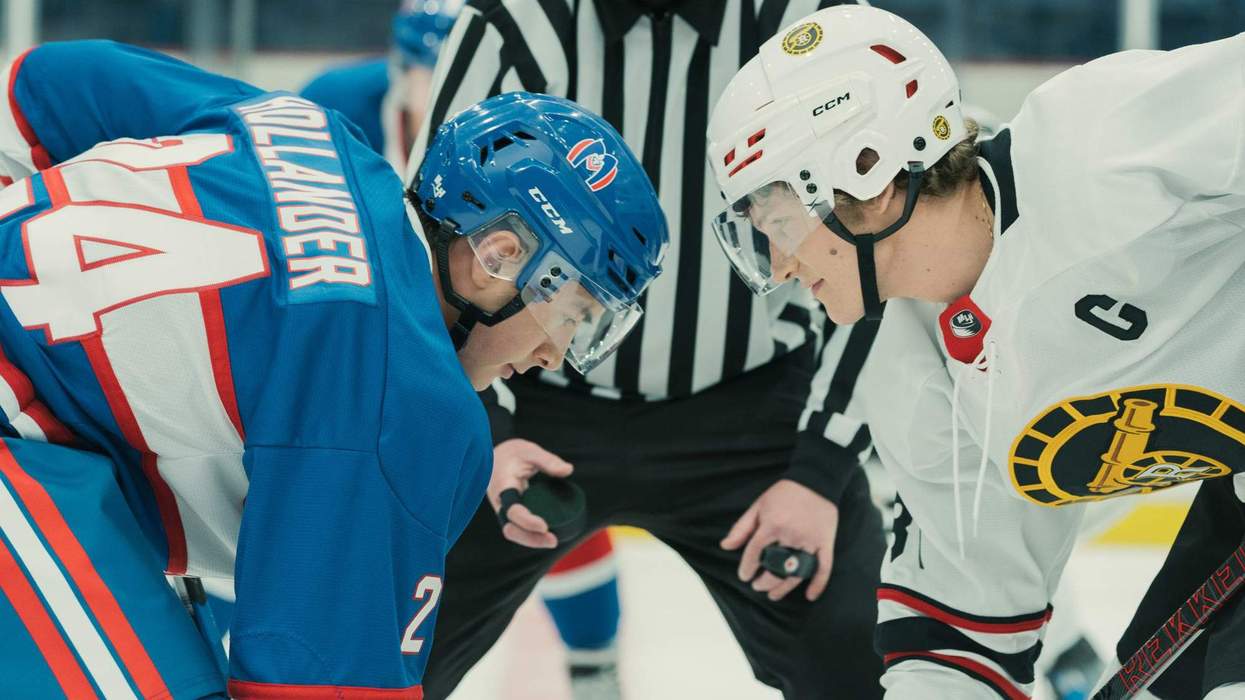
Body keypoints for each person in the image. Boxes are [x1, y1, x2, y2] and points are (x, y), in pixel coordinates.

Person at [0, 40, 665, 697]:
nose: (556, 353)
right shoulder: (402, 401)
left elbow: (47, 83)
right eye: (574, 311)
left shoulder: (317, 131)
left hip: (55, 450)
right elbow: (315, 680)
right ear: (498, 255)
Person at [708, 4, 1245, 698]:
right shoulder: (908, 357)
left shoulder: (1097, 141)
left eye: (779, 222)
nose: (779, 266)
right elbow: (963, 627)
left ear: (864, 173)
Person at [411, 1, 888, 698]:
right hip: (529, 402)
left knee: (860, 665)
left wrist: (821, 471)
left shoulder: (802, 21)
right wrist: (487, 433)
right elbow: (440, 235)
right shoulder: (514, 22)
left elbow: (881, 252)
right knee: (387, 649)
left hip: (756, 420)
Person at [302, 3, 629, 693]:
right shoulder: (338, 107)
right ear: (402, 68)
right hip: (371, 354)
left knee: (537, 491)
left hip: (488, 337)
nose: (452, 85)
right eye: (433, 69)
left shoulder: (524, 152)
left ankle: (595, 666)